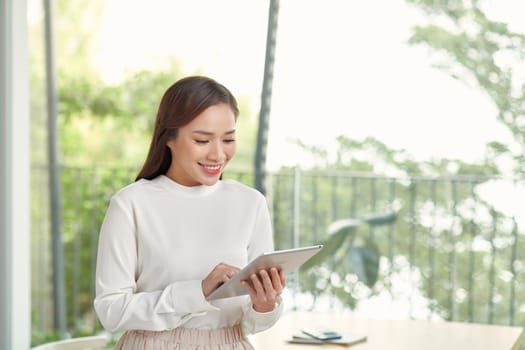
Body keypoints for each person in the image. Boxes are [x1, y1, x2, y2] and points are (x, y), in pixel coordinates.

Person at [94, 76, 285, 349]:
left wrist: (265, 305)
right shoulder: (131, 204)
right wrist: (198, 291)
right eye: (202, 140)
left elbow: (256, 322)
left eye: (228, 139)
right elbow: (111, 310)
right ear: (168, 138)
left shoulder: (251, 204)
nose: (218, 154)